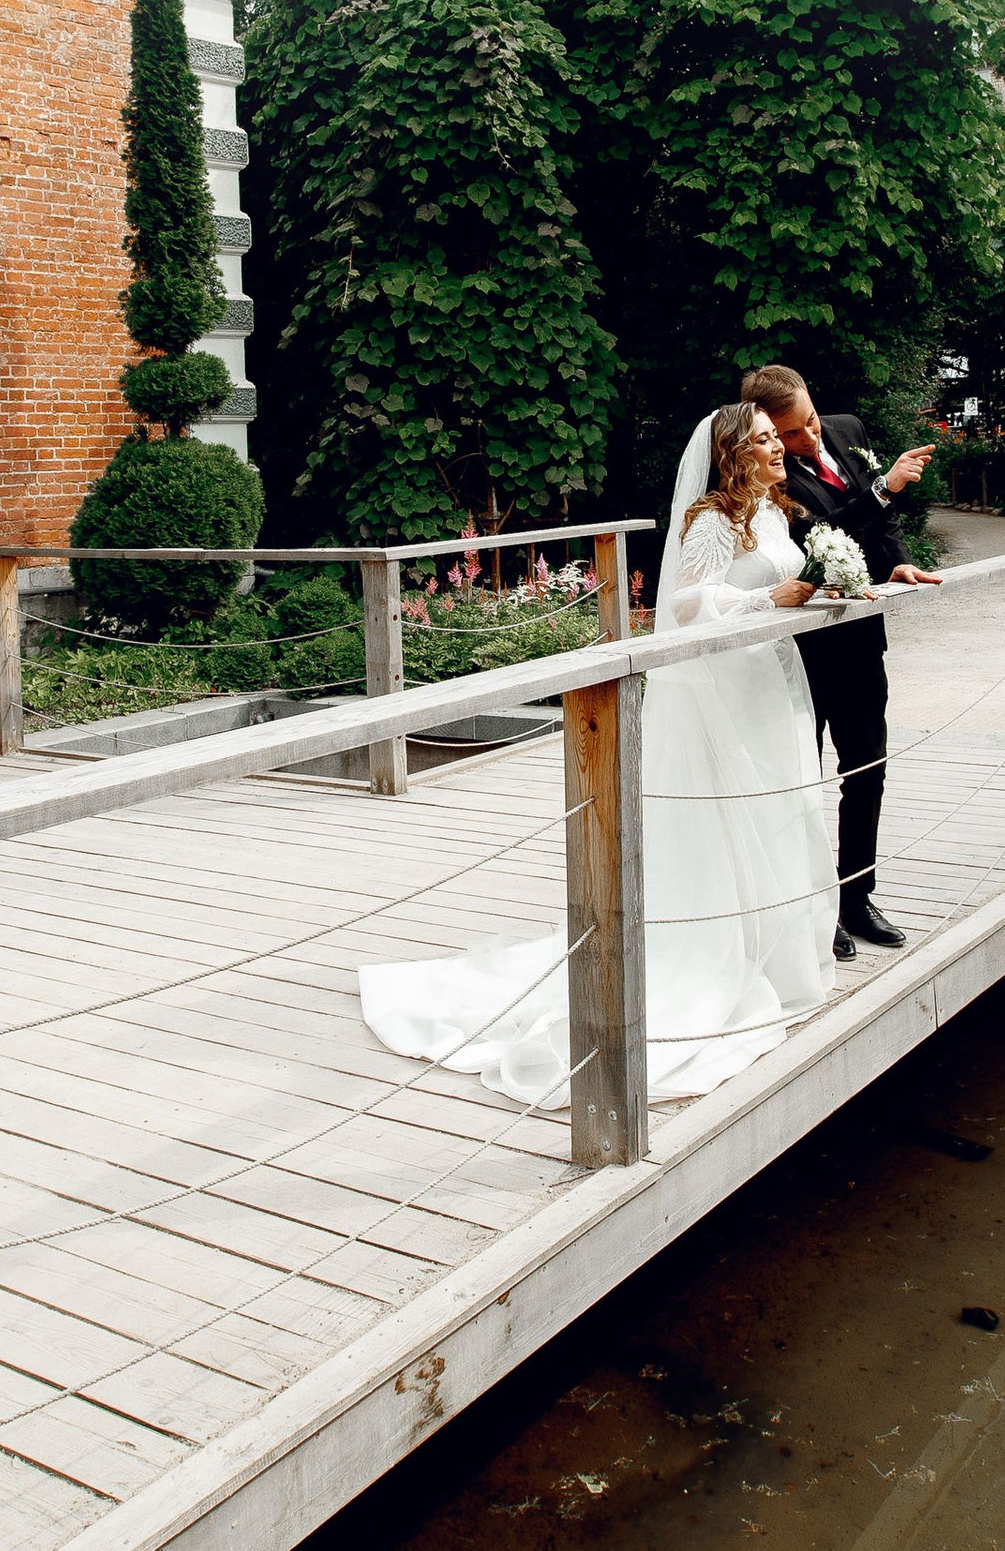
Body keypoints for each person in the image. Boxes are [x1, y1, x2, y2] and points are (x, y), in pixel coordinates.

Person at [357, 402, 837, 1105]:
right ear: (733, 454)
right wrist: (771, 601)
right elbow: (682, 605)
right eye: (764, 440)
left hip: (767, 679)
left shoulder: (773, 510)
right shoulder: (709, 520)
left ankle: (781, 951)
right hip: (722, 683)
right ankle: (717, 954)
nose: (777, 447)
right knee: (726, 815)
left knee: (777, 805)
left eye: (776, 438)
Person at [738, 364, 939, 959]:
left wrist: (897, 560)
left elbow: (880, 524)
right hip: (800, 651)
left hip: (859, 638)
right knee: (802, 779)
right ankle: (815, 909)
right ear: (765, 430)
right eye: (792, 433)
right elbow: (816, 539)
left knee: (866, 770)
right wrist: (882, 490)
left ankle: (857, 898)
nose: (809, 439)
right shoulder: (764, 471)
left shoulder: (848, 430)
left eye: (810, 423)